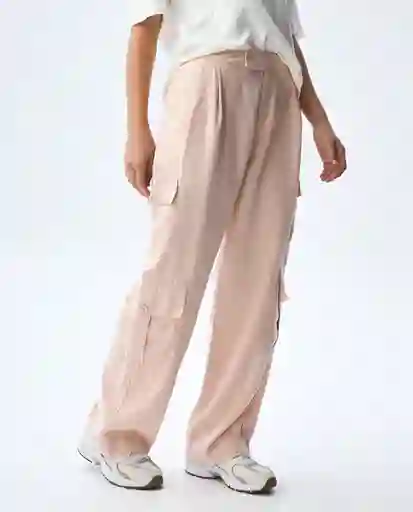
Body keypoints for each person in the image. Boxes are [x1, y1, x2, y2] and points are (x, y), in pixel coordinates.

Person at [78, 0, 347, 495]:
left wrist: (320, 120)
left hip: (279, 94)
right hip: (206, 85)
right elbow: (144, 28)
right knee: (174, 271)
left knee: (257, 280)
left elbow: (284, 38)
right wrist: (138, 130)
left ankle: (221, 442)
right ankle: (115, 434)